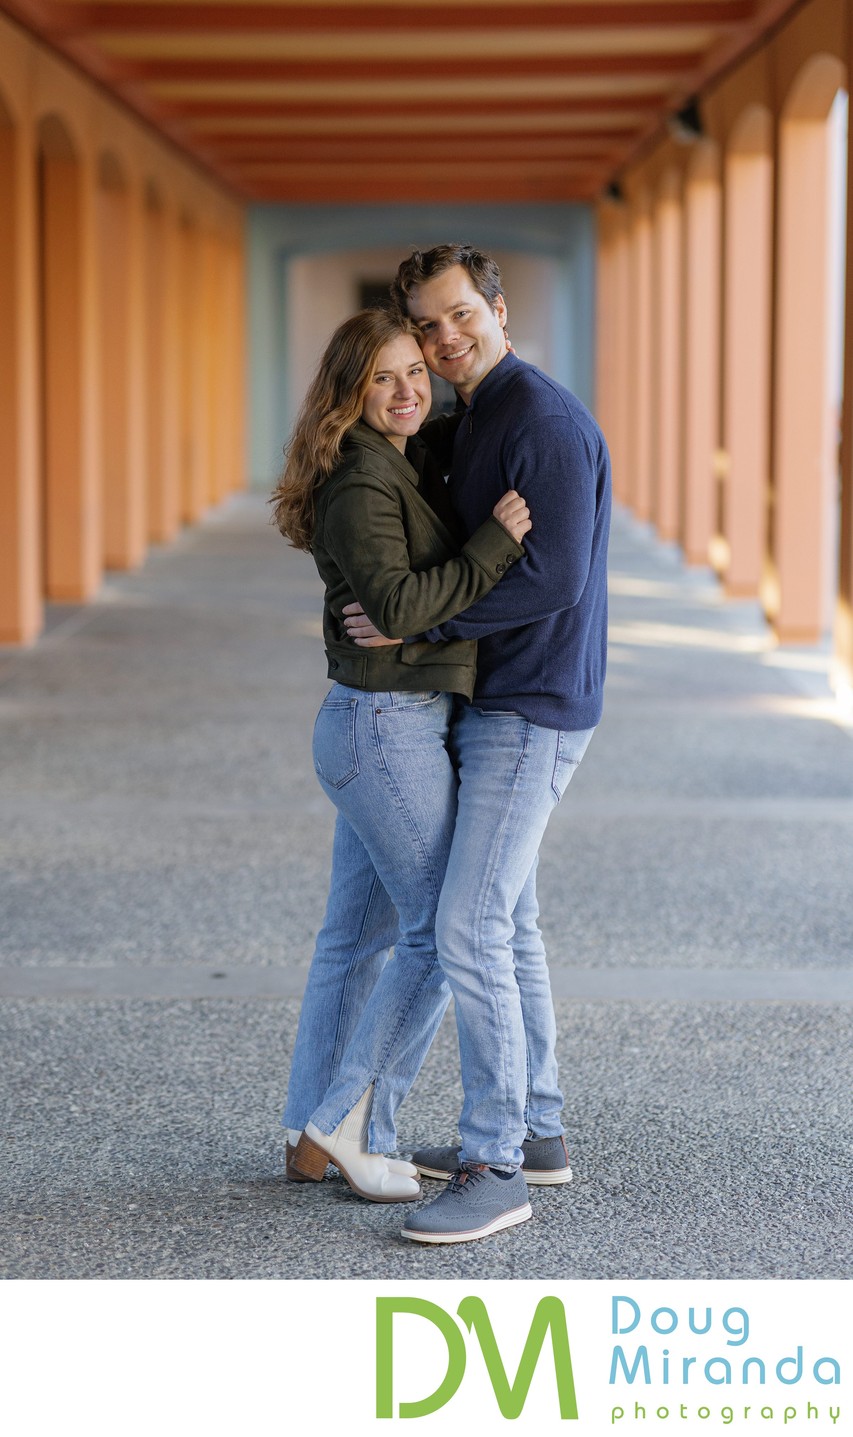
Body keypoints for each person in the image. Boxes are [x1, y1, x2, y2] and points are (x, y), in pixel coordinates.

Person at [343, 245, 611, 1243]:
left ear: (496, 309)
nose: (447, 337)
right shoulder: (474, 415)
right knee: (509, 924)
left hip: (530, 708)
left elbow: (554, 582)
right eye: (428, 325)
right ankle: (537, 1133)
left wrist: (424, 627)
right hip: (497, 701)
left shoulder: (539, 420)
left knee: (466, 928)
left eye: (461, 315)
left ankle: (495, 1165)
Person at [271, 306, 531, 1202]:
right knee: (435, 934)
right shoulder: (360, 481)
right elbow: (398, 601)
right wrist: (498, 542)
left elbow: (390, 602)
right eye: (382, 377)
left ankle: (319, 1134)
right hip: (386, 730)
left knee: (356, 938)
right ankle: (342, 1123)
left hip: (372, 721)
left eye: (414, 371)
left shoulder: (394, 457)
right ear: (349, 391)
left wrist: (493, 371)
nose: (407, 389)